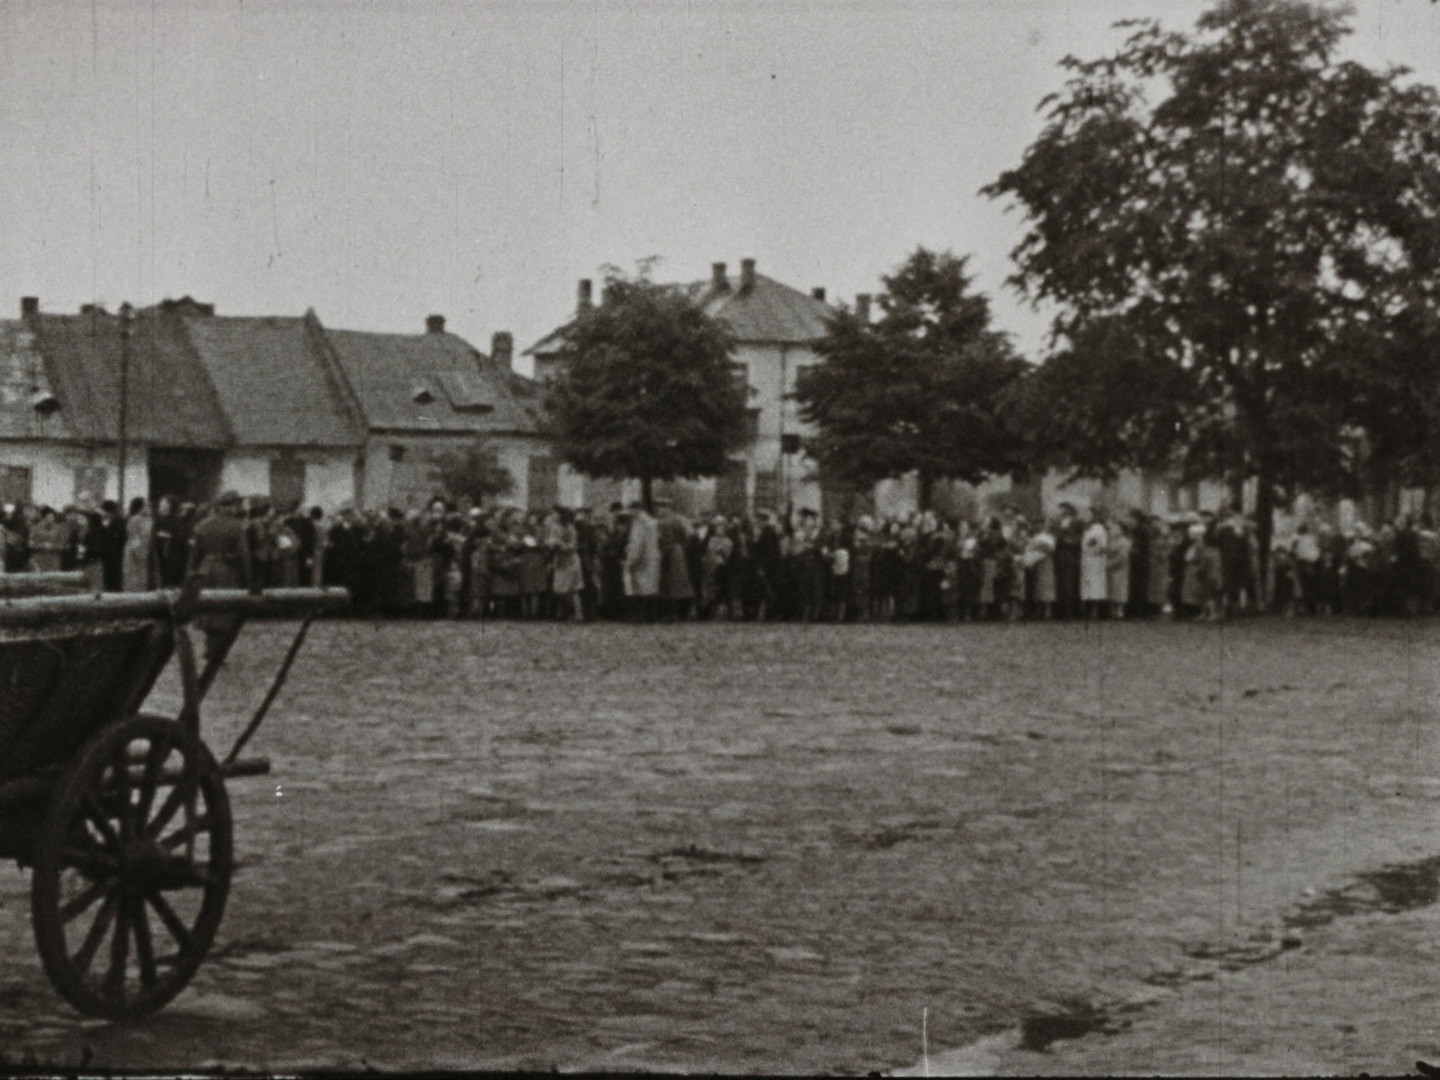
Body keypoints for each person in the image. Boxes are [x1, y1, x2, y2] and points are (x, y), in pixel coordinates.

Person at [624, 499, 661, 621]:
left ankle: (640, 616)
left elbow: (637, 544)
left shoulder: (639, 524)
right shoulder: (652, 522)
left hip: (642, 560)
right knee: (651, 587)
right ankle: (652, 615)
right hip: (653, 557)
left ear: (636, 509)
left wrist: (630, 561)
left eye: (630, 509)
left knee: (639, 587)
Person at [1080, 510, 1109, 619]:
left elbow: (1102, 544)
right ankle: (1085, 609)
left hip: (1095, 559)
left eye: (1089, 515)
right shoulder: (1084, 528)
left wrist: (1094, 546)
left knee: (1096, 585)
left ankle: (1095, 610)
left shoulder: (1099, 528)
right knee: (1086, 584)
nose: (1086, 517)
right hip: (1085, 559)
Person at [122, 496, 153, 591]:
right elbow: (134, 537)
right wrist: (140, 553)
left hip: (145, 551)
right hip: (136, 553)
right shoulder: (135, 519)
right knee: (135, 580)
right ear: (140, 507)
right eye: (146, 506)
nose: (149, 508)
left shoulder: (149, 519)